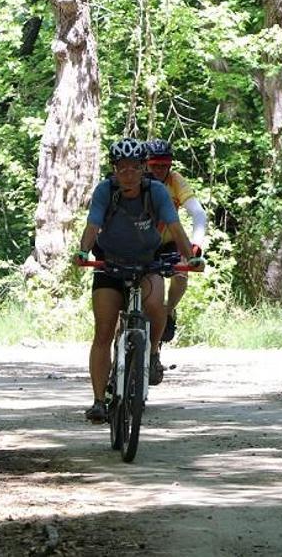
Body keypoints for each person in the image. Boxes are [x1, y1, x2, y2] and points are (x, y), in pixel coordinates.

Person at [75, 138, 201, 424]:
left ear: (143, 168)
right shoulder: (105, 191)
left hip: (147, 263)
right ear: (114, 169)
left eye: (134, 168)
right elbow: (93, 224)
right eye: (122, 169)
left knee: (157, 305)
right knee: (104, 332)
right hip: (110, 264)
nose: (128, 175)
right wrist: (84, 251)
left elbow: (175, 227)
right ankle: (98, 401)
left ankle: (152, 352)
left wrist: (190, 257)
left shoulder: (155, 191)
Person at [144, 138, 207, 345]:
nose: (160, 170)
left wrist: (196, 245)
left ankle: (168, 311)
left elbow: (198, 213)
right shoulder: (135, 179)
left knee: (181, 273)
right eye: (155, 166)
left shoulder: (175, 180)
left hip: (167, 242)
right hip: (138, 244)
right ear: (146, 164)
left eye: (165, 165)